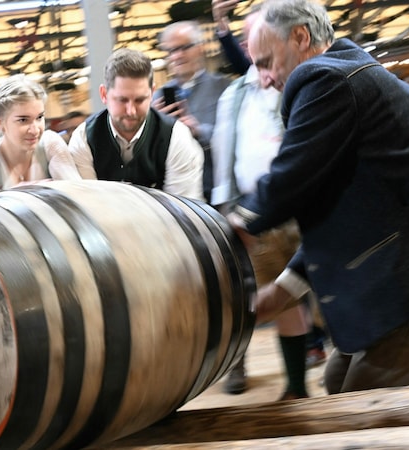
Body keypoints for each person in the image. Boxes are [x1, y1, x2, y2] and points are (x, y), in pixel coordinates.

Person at [231, 0, 409, 394]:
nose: (263, 78)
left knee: (367, 409)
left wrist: (239, 221)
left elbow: (292, 176)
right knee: (337, 384)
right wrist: (284, 290)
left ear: (300, 37)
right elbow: (339, 209)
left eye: (265, 62)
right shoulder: (355, 77)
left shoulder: (324, 78)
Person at [211, 11, 312, 400]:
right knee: (260, 293)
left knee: (295, 297)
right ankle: (256, 372)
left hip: (296, 206)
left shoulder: (297, 85)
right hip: (252, 211)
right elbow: (225, 150)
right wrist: (225, 206)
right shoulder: (234, 94)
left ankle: (302, 383)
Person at [68, 48, 204, 200]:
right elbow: (88, 204)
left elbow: (181, 210)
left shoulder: (177, 137)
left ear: (152, 93)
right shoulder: (83, 138)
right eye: (122, 100)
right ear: (104, 94)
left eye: (140, 100)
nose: (131, 111)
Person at [153, 20, 231, 203]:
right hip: (175, 196)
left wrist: (198, 130)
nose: (177, 56)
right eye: (171, 51)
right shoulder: (158, 98)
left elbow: (234, 138)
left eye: (184, 48)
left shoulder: (224, 88)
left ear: (201, 48)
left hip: (215, 192)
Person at [0, 74, 81, 188]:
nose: (34, 130)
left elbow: (75, 194)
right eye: (23, 120)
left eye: (39, 117)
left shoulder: (50, 144)